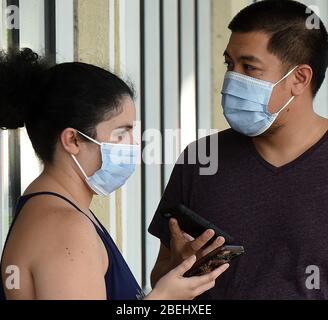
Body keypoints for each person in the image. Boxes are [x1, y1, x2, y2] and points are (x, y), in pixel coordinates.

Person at [0, 48, 229, 300]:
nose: (134, 144)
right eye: (121, 133)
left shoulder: (58, 210)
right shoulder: (65, 227)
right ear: (73, 140)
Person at [149, 0, 328, 299]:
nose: (233, 78)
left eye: (249, 67)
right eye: (230, 64)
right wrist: (181, 265)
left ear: (300, 78)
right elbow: (161, 277)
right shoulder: (201, 159)